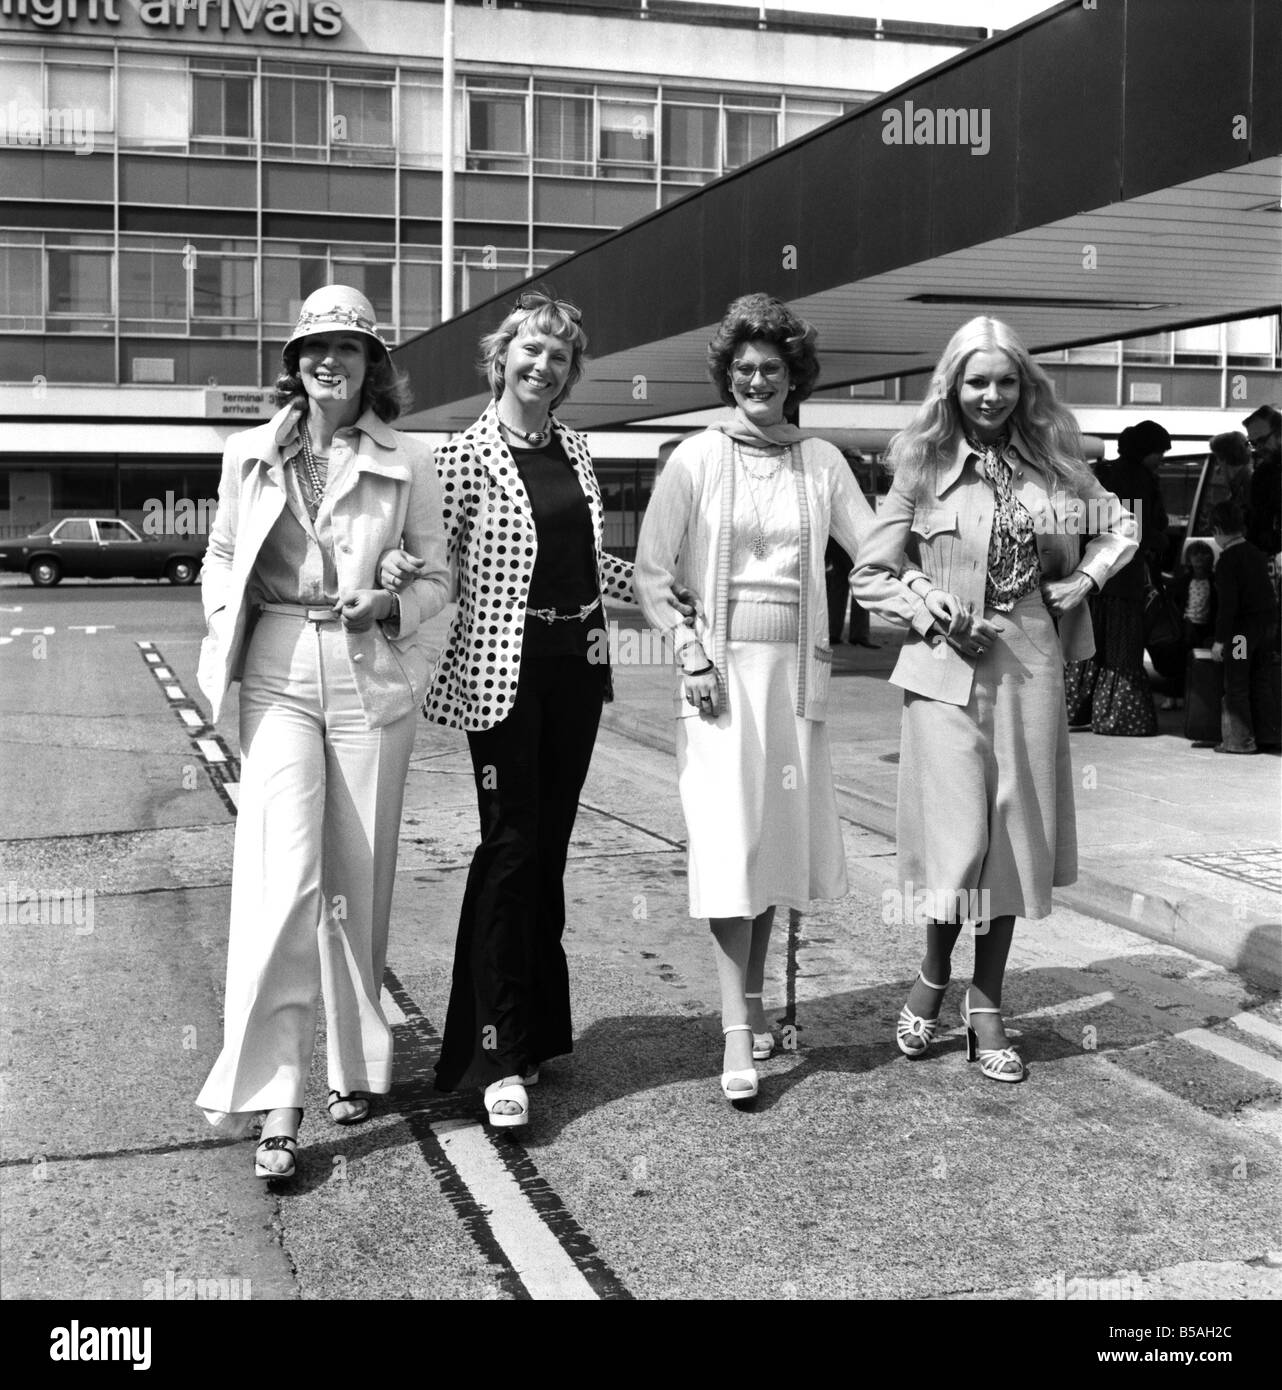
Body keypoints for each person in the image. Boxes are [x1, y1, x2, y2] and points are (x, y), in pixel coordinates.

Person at [380, 291, 685, 1129]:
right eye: (531, 351)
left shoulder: (578, 450)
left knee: (547, 850)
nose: (543, 366)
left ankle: (541, 1034)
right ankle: (494, 1053)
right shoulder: (461, 457)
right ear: (501, 357)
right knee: (509, 850)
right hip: (500, 678)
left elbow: (585, 562)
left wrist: (664, 590)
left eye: (559, 357)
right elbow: (429, 555)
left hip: (576, 670)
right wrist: (393, 577)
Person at [195, 286, 449, 1178]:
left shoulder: (410, 457)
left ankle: (353, 1065)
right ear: (293, 363)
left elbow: (438, 582)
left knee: (357, 877)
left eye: (345, 346)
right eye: (311, 348)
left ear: (372, 361)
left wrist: (390, 598)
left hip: (368, 670)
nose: (326, 361)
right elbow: (223, 552)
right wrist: (227, 612)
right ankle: (277, 1099)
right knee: (283, 880)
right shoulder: (248, 454)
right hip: (276, 664)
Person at [850, 316, 1136, 1084]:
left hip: (1032, 664)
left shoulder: (1057, 465)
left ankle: (987, 1002)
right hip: (942, 670)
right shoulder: (919, 463)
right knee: (955, 841)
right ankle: (934, 973)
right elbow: (870, 572)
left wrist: (1085, 580)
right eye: (978, 381)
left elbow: (1123, 527)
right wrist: (929, 606)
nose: (992, 395)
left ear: (1024, 387)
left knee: (1013, 832)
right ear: (953, 384)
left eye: (1006, 381)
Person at [634, 293, 902, 1105]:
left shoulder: (820, 460)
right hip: (716, 677)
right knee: (728, 847)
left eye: (772, 368)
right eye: (744, 368)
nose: (757, 379)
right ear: (728, 375)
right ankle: (736, 1033)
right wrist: (688, 651)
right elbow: (652, 572)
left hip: (794, 678)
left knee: (773, 848)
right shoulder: (693, 458)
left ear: (794, 377)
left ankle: (750, 1006)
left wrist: (931, 518)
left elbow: (878, 547)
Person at [1063, 420, 1169, 735]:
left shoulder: (1103, 473)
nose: (1160, 460)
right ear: (1145, 451)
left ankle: (1076, 709)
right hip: (1127, 577)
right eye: (1158, 453)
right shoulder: (1142, 480)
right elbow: (1145, 529)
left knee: (1090, 645)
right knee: (1123, 649)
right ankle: (1118, 715)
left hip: (1094, 574)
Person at [1209, 501, 1279, 753]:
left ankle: (1239, 741)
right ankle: (1269, 736)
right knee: (1261, 680)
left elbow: (1228, 606)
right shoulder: (1256, 554)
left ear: (1217, 529)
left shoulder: (1228, 561)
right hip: (1266, 628)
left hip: (1241, 635)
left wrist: (1219, 640)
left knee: (1236, 682)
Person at [1160, 539, 1216, 710]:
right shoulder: (1184, 581)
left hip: (1205, 629)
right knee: (1177, 663)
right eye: (1195, 554)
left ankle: (1192, 698)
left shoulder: (1214, 582)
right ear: (1189, 558)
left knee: (1201, 667)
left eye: (1204, 554)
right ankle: (1171, 696)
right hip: (1185, 627)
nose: (1199, 558)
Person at [1243, 405, 1281, 560]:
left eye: (1262, 440)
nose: (1259, 448)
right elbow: (1257, 523)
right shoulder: (1262, 474)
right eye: (1253, 443)